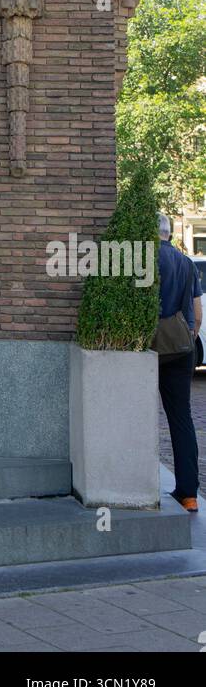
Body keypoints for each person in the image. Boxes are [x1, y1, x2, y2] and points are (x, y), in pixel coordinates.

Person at [158, 213, 202, 511]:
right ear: (169, 233)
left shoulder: (143, 259)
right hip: (181, 349)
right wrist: (187, 335)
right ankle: (188, 494)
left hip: (147, 348)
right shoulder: (187, 263)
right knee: (181, 418)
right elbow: (197, 314)